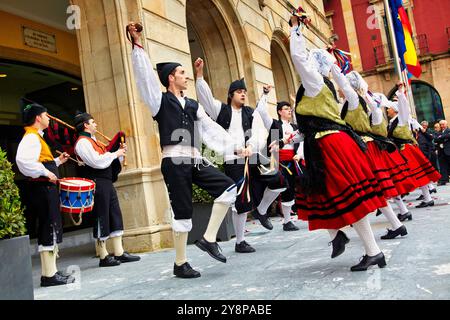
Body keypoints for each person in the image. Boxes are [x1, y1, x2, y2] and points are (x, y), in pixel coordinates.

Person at [128, 22, 239, 278]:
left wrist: (235, 146)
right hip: (174, 161)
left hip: (196, 160)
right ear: (170, 78)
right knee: (183, 212)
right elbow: (144, 78)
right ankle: (180, 263)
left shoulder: (192, 104)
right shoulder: (159, 101)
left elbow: (210, 128)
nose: (185, 76)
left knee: (228, 188)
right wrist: (136, 44)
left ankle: (209, 238)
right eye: (181, 72)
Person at [290, 15, 387, 271]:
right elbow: (342, 83)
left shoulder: (314, 84)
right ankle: (339, 237)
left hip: (330, 146)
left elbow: (299, 59)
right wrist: (333, 64)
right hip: (330, 143)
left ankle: (371, 250)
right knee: (328, 196)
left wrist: (296, 30)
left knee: (345, 199)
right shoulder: (327, 86)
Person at [195, 58, 288, 254]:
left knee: (279, 181)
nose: (243, 94)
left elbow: (259, 132)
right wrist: (199, 75)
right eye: (239, 92)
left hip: (252, 156)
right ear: (231, 95)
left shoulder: (250, 112)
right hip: (233, 160)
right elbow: (205, 98)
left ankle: (262, 210)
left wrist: (251, 146)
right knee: (241, 200)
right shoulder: (221, 110)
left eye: (245, 92)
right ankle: (240, 241)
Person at [16, 99, 75, 287]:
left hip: (45, 189)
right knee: (48, 226)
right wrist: (46, 172)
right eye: (46, 115)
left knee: (50, 226)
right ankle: (49, 276)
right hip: (42, 190)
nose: (48, 118)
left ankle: (52, 272)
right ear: (37, 118)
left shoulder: (37, 137)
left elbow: (41, 162)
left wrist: (57, 162)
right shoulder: (32, 137)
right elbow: (23, 162)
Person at [74, 112, 141, 267]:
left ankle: (119, 252)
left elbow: (108, 160)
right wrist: (114, 153)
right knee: (101, 215)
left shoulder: (94, 141)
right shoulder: (82, 143)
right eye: (93, 122)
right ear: (85, 125)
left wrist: (119, 153)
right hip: (96, 182)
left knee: (114, 213)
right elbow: (97, 162)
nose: (96, 124)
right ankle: (103, 255)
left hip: (106, 181)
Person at [385, 83, 441, 210]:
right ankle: (427, 198)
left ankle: (425, 199)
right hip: (401, 150)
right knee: (415, 174)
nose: (387, 110)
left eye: (389, 108)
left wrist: (400, 92)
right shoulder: (392, 122)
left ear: (394, 110)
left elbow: (404, 107)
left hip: (406, 149)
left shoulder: (401, 118)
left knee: (416, 174)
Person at [255, 97, 303, 232]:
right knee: (278, 186)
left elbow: (301, 140)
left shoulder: (295, 127)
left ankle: (287, 221)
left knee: (289, 189)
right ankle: (261, 210)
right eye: (286, 109)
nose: (289, 111)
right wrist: (265, 94)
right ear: (279, 111)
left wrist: (298, 155)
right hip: (276, 161)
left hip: (291, 161)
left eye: (290, 109)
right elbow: (261, 111)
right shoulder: (274, 124)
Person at [435, 120, 450, 185]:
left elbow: (448, 136)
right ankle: (444, 180)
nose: (442, 126)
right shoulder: (439, 132)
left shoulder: (449, 130)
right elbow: (435, 139)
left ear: (446, 124)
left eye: (443, 124)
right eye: (440, 125)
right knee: (442, 166)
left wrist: (441, 137)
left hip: (448, 151)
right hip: (441, 152)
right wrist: (442, 138)